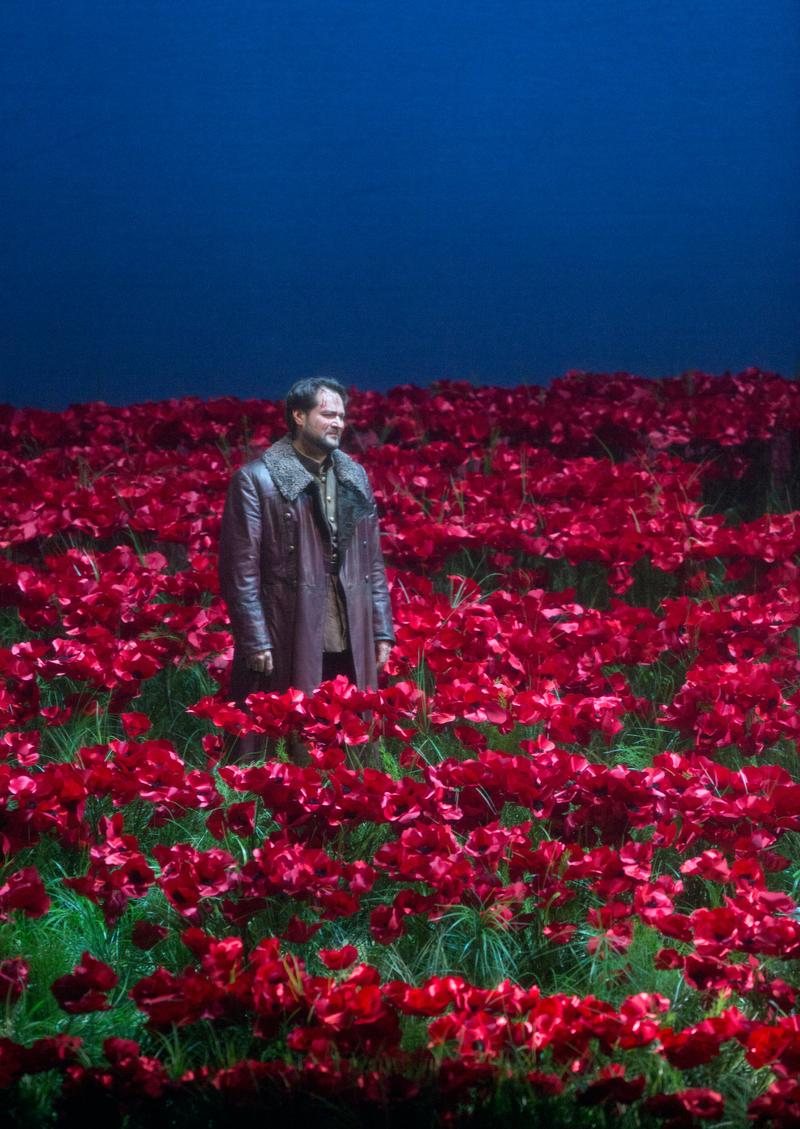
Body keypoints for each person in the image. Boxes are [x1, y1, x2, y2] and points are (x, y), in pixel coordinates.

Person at [218, 377, 394, 760]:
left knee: (351, 730)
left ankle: (352, 811)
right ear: (298, 415)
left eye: (342, 416)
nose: (338, 423)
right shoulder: (256, 480)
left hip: (351, 619)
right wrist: (255, 638)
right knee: (286, 734)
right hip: (289, 622)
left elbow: (373, 562)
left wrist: (381, 629)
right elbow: (240, 571)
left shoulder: (354, 476)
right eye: (327, 414)